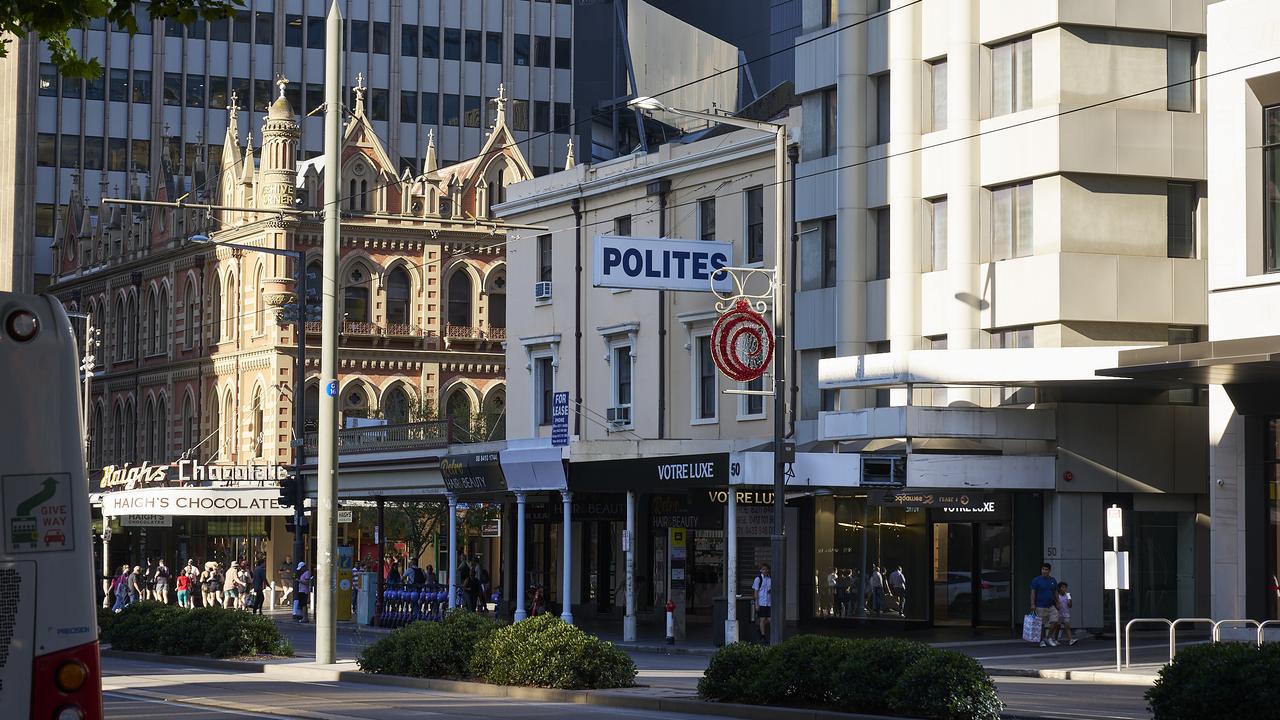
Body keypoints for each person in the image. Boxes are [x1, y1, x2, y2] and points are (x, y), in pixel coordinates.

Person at [1029, 562, 1060, 647]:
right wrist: (1032, 604)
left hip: (1051, 605)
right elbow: (1033, 592)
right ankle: (1041, 640)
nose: (1044, 571)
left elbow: (1055, 592)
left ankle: (1049, 637)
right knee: (1041, 624)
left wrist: (1058, 602)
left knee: (1055, 620)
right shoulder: (1036, 580)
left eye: (1046, 569)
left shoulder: (1053, 580)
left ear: (1049, 571)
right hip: (1040, 605)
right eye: (1043, 569)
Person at [1050, 581, 1077, 646]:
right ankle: (1055, 639)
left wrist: (1069, 601)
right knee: (1058, 627)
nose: (1064, 589)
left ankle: (1071, 640)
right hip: (1058, 614)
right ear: (1059, 588)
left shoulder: (1068, 595)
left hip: (1066, 613)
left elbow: (1070, 606)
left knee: (1067, 626)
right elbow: (1055, 604)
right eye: (1062, 587)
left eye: (1065, 587)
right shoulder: (1057, 596)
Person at [752, 563, 773, 643]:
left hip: (769, 602)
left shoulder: (770, 578)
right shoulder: (758, 579)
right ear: (760, 570)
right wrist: (757, 603)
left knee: (770, 619)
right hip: (761, 602)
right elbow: (756, 592)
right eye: (763, 569)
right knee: (762, 619)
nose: (765, 570)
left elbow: (771, 589)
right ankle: (763, 635)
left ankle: (764, 632)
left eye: (766, 569)